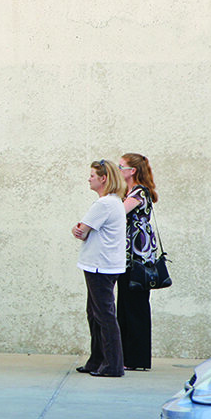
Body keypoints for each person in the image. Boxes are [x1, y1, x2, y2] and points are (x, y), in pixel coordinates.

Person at [72, 159, 128, 378]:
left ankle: (112, 364)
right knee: (96, 314)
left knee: (103, 315)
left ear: (103, 178)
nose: (89, 178)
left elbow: (81, 230)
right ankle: (97, 360)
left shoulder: (103, 204)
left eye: (93, 175)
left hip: (99, 266)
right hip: (104, 264)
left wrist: (78, 229)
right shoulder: (114, 202)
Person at [118, 153, 159, 371]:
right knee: (126, 305)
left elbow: (119, 212)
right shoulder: (131, 192)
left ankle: (136, 359)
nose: (119, 169)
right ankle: (128, 356)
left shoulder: (139, 192)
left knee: (135, 306)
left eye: (121, 166)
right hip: (130, 256)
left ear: (132, 170)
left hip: (136, 258)